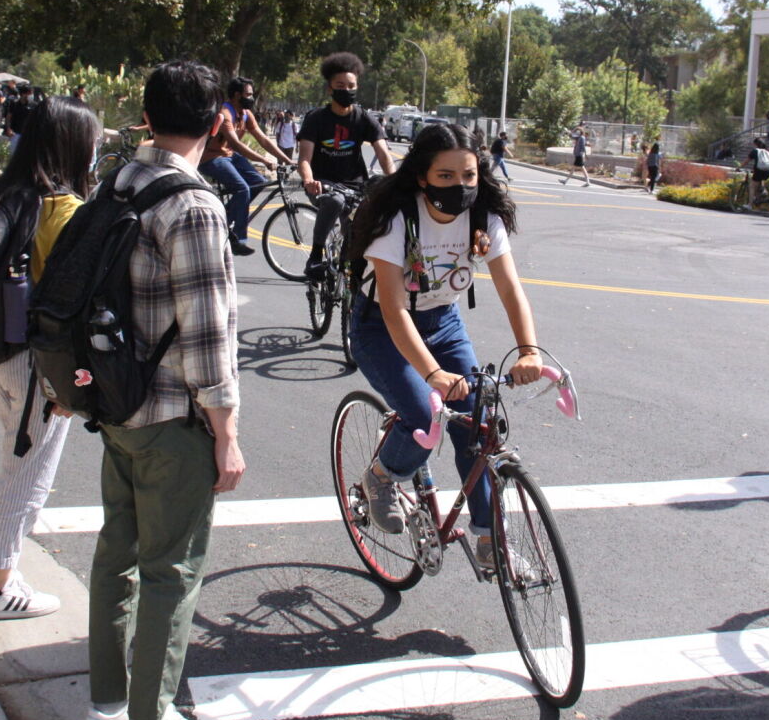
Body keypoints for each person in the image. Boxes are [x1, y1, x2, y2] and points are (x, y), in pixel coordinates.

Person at [80, 58, 244, 720]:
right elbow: (206, 333)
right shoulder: (196, 204)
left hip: (113, 398)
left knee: (117, 555)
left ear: (145, 116)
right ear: (218, 123)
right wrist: (226, 434)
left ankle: (105, 709)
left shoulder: (119, 180)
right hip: (172, 410)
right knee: (171, 570)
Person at [346, 123, 544, 571]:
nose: (460, 186)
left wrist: (528, 349)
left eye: (469, 176)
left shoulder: (483, 218)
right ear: (422, 177)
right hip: (381, 326)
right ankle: (381, 477)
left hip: (443, 321)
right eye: (446, 177)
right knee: (423, 413)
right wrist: (433, 375)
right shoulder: (397, 218)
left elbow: (511, 288)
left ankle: (490, 539)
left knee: (473, 427)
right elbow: (395, 311)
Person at [0, 95, 102, 619]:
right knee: (27, 474)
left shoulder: (0, 195)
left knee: (15, 460)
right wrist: (70, 384)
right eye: (93, 141)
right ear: (72, 147)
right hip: (38, 365)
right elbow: (72, 302)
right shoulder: (64, 211)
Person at [298, 52, 394, 279]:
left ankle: (345, 270)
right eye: (340, 85)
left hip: (356, 185)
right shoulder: (316, 118)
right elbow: (304, 158)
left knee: (360, 224)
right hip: (323, 185)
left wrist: (395, 180)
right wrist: (309, 180)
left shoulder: (364, 118)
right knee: (334, 201)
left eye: (351, 85)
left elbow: (384, 154)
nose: (347, 90)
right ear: (330, 89)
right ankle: (315, 257)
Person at [200, 76, 290, 256]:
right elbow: (236, 144)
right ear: (236, 95)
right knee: (242, 189)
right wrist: (265, 161)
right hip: (212, 158)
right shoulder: (225, 113)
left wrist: (286, 160)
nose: (251, 98)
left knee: (258, 182)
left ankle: (223, 219)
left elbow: (262, 138)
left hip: (230, 156)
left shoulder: (246, 114)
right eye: (248, 95)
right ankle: (238, 239)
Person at [743, 136, 769, 206]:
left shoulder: (755, 151)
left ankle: (749, 205)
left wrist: (739, 167)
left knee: (752, 186)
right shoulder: (767, 151)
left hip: (759, 170)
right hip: (768, 170)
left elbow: (747, 161)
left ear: (755, 144)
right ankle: (763, 193)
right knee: (760, 181)